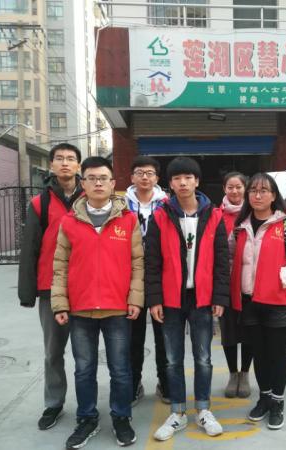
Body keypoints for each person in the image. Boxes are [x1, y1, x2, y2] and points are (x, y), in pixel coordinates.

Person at [51, 157, 144, 449]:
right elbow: (60, 266)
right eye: (92, 178)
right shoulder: (69, 222)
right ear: (83, 184)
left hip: (117, 308)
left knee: (120, 369)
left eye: (103, 178)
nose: (98, 183)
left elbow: (138, 263)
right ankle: (87, 418)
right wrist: (60, 303)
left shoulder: (128, 220)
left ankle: (121, 417)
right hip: (80, 309)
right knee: (84, 369)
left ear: (113, 183)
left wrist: (135, 298)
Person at [145, 156, 230, 441]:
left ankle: (203, 410)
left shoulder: (213, 215)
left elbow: (222, 260)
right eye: (177, 178)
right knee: (172, 360)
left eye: (188, 177)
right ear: (169, 184)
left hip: (202, 298)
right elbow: (152, 261)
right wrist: (154, 299)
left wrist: (220, 296)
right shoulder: (161, 215)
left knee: (203, 358)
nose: (183, 183)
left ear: (197, 181)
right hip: (171, 299)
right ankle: (178, 413)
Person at [229, 173, 286, 430]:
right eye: (253, 190)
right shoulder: (240, 227)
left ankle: (277, 401)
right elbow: (230, 256)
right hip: (249, 300)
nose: (258, 195)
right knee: (259, 353)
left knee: (276, 354)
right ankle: (264, 397)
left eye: (264, 191)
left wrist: (285, 275)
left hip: (277, 300)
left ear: (274, 196)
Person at [18, 143, 83, 430]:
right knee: (53, 352)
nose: (65, 163)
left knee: (86, 354)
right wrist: (27, 291)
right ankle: (54, 403)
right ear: (52, 165)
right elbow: (30, 249)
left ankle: (87, 405)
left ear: (79, 165)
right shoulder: (39, 204)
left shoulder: (92, 198)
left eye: (71, 159)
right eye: (60, 159)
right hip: (51, 289)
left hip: (86, 289)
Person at [125, 155, 169, 405]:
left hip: (160, 277)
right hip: (129, 279)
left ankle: (165, 382)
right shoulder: (120, 205)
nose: (144, 177)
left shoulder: (168, 204)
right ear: (132, 177)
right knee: (133, 336)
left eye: (150, 173)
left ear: (157, 178)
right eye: (140, 172)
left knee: (164, 335)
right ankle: (134, 384)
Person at [219, 172, 253, 398]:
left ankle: (245, 373)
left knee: (249, 328)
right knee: (228, 330)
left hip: (249, 280)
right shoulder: (216, 215)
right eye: (230, 187)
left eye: (239, 187)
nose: (234, 191)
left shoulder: (253, 213)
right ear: (224, 189)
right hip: (225, 281)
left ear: (245, 189)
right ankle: (233, 373)